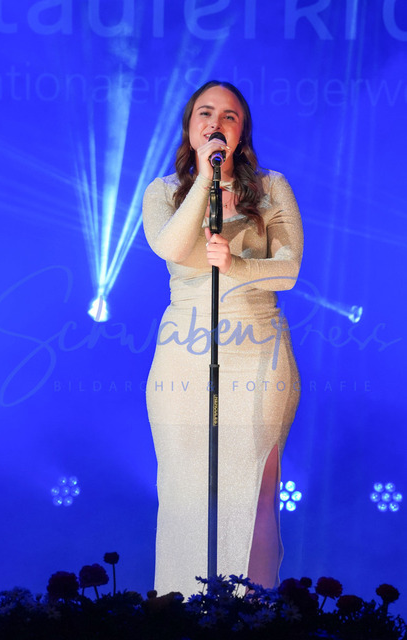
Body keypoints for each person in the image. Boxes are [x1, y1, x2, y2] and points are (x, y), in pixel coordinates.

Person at [142, 80, 303, 598]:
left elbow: (288, 269)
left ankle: (253, 613)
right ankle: (180, 610)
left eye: (229, 116)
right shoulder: (163, 192)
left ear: (242, 131)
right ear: (190, 128)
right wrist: (206, 181)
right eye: (205, 114)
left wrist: (235, 265)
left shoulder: (272, 187)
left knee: (255, 492)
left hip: (258, 350)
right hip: (184, 355)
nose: (216, 123)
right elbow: (171, 247)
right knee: (183, 487)